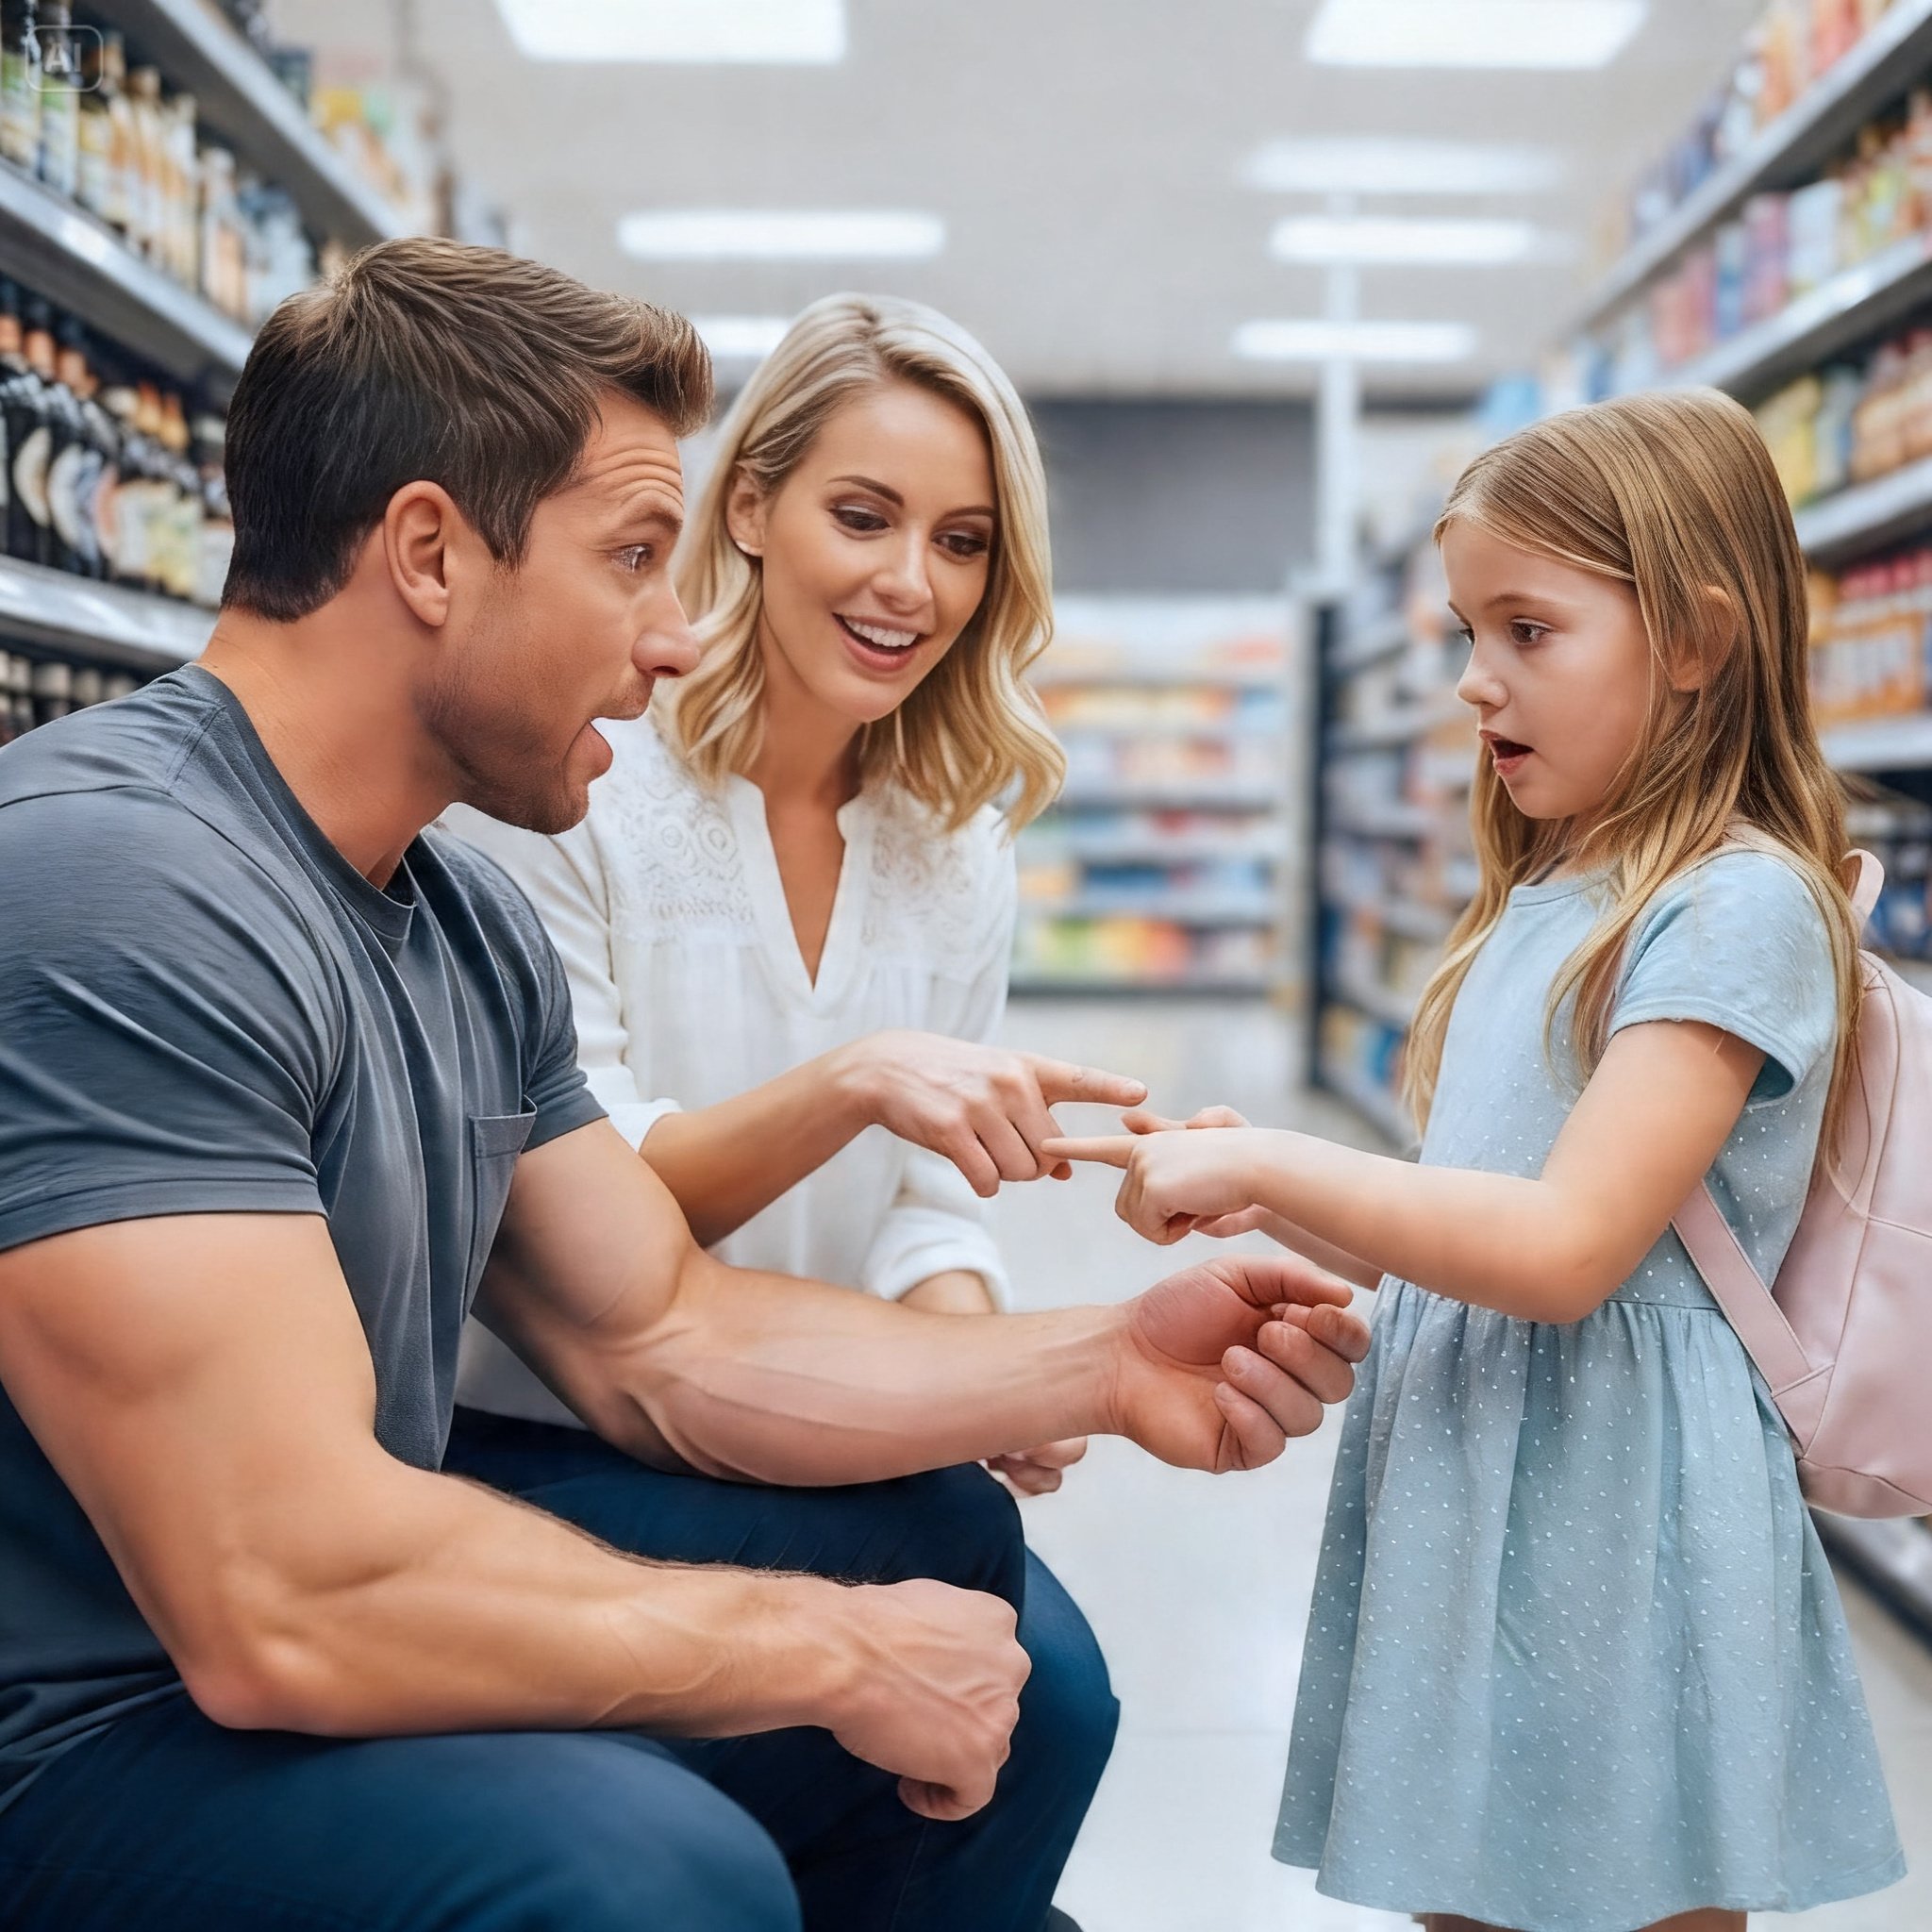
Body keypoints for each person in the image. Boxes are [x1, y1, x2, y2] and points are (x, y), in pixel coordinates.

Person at [0, 238, 1372, 1932]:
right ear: (430, 551)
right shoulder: (118, 882)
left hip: (307, 1610)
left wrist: (1100, 1363)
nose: (671, 641)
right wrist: (821, 1648)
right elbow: (281, 1591)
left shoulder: (455, 916)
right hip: (86, 1725)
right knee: (663, 1870)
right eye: (636, 557)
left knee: (1021, 1674)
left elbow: (663, 1335)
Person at [1049, 390, 1904, 1932]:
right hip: (1481, 1465)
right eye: (1463, 631)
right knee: (1473, 1889)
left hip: (1623, 1491)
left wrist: (1308, 1166)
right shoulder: (1551, 891)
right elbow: (1483, 1199)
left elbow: (1570, 1248)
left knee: (1640, 1893)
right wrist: (1275, 1187)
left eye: (1528, 630)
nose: (1469, 681)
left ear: (1700, 641)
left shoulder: (1737, 907)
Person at [443, 291, 1128, 1921]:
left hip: (811, 1427)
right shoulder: (585, 776)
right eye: (863, 515)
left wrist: (976, 1360)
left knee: (1053, 1688)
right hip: (534, 1430)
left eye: (962, 542)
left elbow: (930, 1200)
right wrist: (851, 1083)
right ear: (746, 508)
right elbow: (591, 1207)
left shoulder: (953, 842)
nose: (911, 583)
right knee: (1032, 1664)